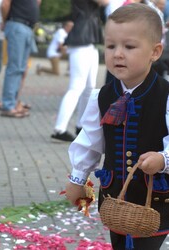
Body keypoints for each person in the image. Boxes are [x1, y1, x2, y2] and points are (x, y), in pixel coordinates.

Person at [65, 3, 169, 249]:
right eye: (111, 46)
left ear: (155, 52)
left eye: (129, 46)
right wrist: (77, 178)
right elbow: (90, 142)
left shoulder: (165, 95)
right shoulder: (102, 96)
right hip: (114, 196)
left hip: (155, 199)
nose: (117, 54)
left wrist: (163, 160)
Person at [51, 0, 110, 142]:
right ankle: (60, 128)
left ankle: (81, 126)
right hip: (81, 40)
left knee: (89, 87)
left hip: (88, 41)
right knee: (76, 87)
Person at [0, 0, 41, 118]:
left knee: (21, 69)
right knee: (15, 68)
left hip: (26, 27)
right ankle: (8, 105)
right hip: (17, 25)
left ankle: (13, 103)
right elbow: (4, 4)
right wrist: (5, 21)